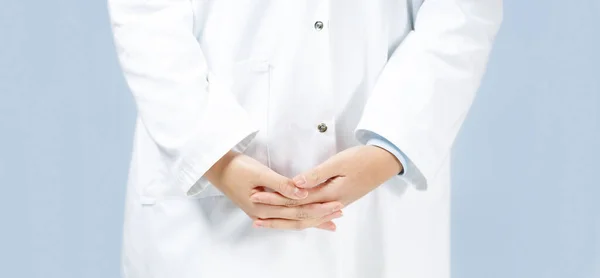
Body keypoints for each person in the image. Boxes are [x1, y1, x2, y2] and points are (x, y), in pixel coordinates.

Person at [107, 0, 502, 277]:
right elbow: (146, 15)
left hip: (376, 198)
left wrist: (389, 149)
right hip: (208, 203)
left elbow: (463, 12)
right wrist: (216, 158)